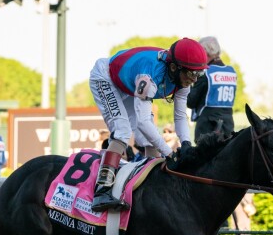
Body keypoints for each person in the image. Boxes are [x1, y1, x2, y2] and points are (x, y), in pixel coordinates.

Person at [88, 37, 209, 211]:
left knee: (146, 140)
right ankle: (102, 190)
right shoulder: (150, 76)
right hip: (105, 77)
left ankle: (152, 188)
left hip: (127, 83)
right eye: (192, 73)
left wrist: (187, 144)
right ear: (174, 68)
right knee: (122, 131)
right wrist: (168, 153)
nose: (195, 79)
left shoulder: (181, 77)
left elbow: (181, 116)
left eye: (200, 74)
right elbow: (144, 123)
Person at [189, 36, 238, 142]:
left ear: (205, 52)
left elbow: (190, 102)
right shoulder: (232, 72)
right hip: (228, 127)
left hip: (207, 129)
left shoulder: (205, 73)